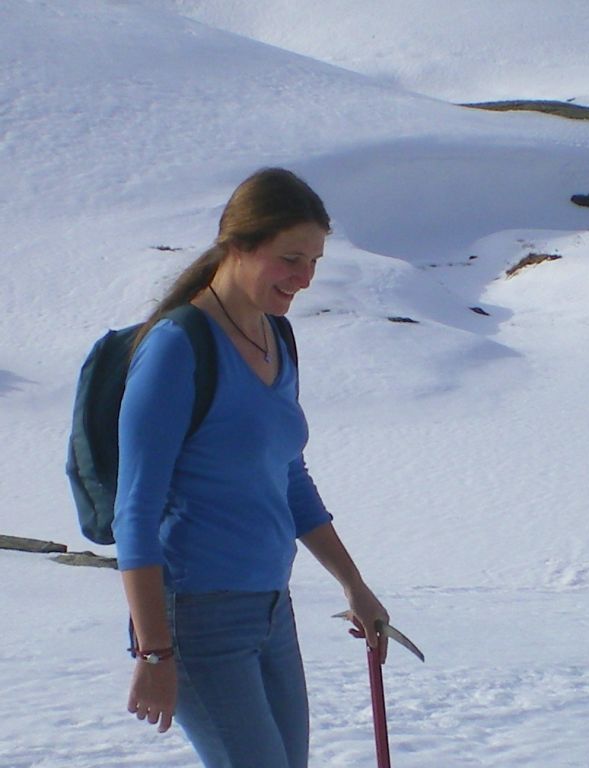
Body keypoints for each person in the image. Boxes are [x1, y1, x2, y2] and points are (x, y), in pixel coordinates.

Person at [113, 167, 388, 768]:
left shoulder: (278, 339)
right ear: (238, 245)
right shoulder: (177, 348)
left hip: (270, 609)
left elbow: (289, 479)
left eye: (313, 261)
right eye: (290, 259)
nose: (305, 278)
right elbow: (134, 514)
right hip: (196, 617)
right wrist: (154, 652)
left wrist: (354, 584)